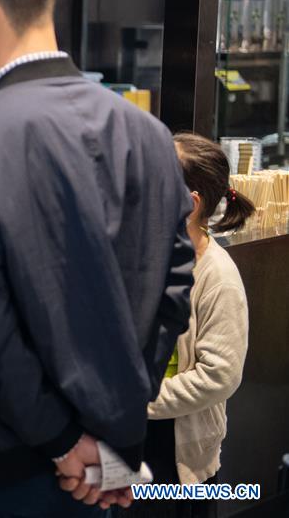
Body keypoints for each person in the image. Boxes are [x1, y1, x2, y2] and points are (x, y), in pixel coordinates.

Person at [0, 0, 196, 516]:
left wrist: (64, 442)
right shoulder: (148, 134)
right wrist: (113, 423)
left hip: (6, 464)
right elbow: (176, 284)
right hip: (114, 453)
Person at [126, 133, 251, 518]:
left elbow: (219, 376)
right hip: (128, 441)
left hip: (174, 455)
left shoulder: (217, 276)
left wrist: (137, 403)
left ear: (190, 204)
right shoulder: (144, 256)